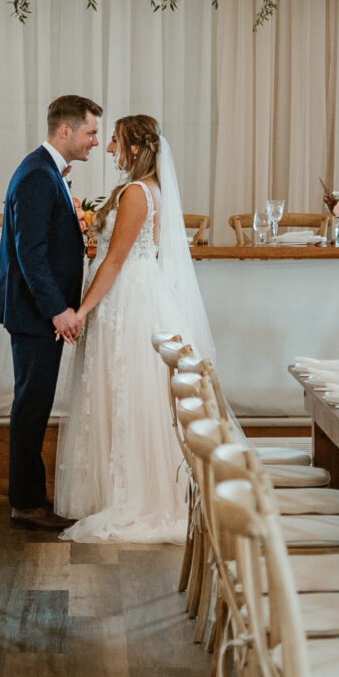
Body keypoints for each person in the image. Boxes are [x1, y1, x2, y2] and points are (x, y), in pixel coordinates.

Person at [52, 114, 217, 542]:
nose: (108, 149)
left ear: (137, 148)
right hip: (134, 294)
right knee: (124, 392)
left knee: (128, 391)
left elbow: (115, 259)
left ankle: (135, 493)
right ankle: (121, 487)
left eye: (115, 142)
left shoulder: (137, 194)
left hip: (127, 299)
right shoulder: (149, 191)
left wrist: (84, 309)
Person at [0, 93, 100, 531]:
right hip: (35, 315)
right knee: (31, 406)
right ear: (65, 130)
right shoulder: (37, 174)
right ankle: (27, 503)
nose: (93, 141)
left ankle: (29, 498)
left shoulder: (46, 170)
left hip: (37, 314)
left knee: (34, 404)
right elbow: (30, 254)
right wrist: (57, 311)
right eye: (90, 132)